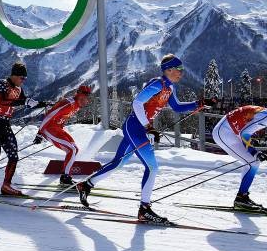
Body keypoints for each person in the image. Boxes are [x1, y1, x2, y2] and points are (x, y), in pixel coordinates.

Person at [75, 54, 208, 225]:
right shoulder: (157, 84)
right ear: (168, 70)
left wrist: (199, 103)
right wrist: (148, 126)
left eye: (182, 69)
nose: (181, 73)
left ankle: (86, 185)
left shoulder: (169, 88)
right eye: (179, 69)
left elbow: (176, 107)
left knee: (119, 163)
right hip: (135, 128)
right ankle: (144, 209)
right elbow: (137, 103)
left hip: (138, 129)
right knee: (152, 167)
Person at [0, 62, 45, 199]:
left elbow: (24, 101)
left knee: (13, 156)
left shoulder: (18, 89)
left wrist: (40, 103)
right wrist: (25, 102)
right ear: (15, 75)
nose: (23, 81)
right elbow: (3, 101)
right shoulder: (2, 84)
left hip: (5, 124)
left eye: (25, 79)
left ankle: (6, 185)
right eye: (22, 78)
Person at [212, 98, 267, 209]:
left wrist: (253, 151)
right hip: (225, 132)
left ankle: (242, 197)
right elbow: (245, 133)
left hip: (226, 130)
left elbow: (244, 130)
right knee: (253, 162)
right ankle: (241, 198)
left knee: (252, 162)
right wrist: (254, 152)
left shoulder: (265, 113)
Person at [36, 84, 93, 185]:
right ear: (79, 94)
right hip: (48, 128)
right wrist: (40, 133)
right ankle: (65, 178)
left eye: (87, 97)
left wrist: (61, 125)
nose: (86, 99)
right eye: (84, 96)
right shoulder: (68, 103)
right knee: (71, 149)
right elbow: (49, 115)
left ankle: (65, 175)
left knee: (75, 149)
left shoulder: (77, 106)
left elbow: (62, 117)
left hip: (56, 128)